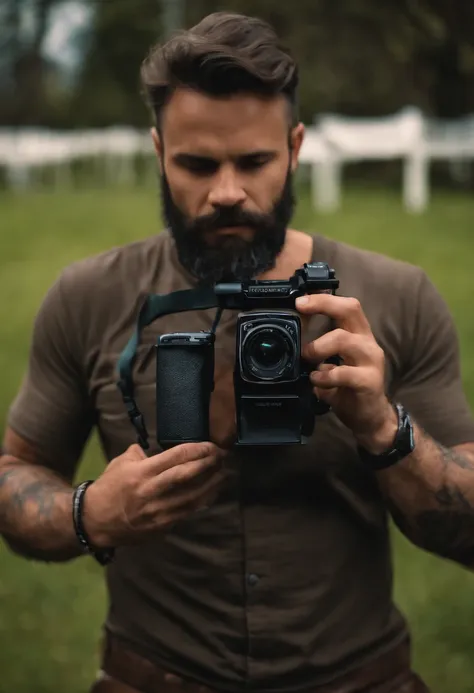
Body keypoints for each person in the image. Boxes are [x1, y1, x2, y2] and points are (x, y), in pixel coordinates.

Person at [1, 11, 474, 693]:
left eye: (254, 162)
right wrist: (91, 512)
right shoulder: (88, 298)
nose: (227, 192)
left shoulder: (394, 298)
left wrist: (381, 425)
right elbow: (17, 472)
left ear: (296, 147)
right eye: (197, 164)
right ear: (159, 150)